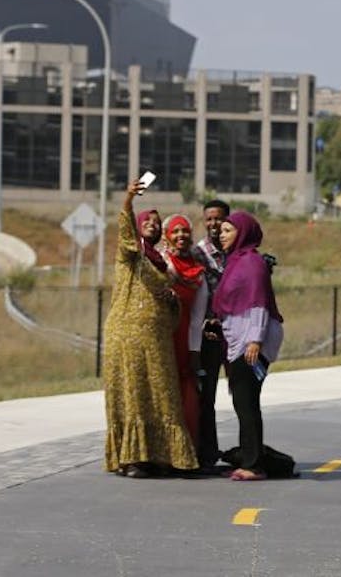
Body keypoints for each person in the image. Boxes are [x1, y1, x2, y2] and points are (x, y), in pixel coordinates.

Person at [102, 177, 197, 479]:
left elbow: (174, 300)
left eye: (158, 223)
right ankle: (132, 459)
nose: (153, 225)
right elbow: (126, 228)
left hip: (156, 338)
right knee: (133, 392)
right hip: (127, 334)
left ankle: (161, 456)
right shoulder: (131, 253)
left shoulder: (163, 263)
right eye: (148, 221)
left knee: (160, 394)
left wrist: (172, 301)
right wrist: (128, 201)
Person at [211, 210, 285, 481]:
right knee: (244, 402)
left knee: (247, 403)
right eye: (222, 231)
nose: (222, 234)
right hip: (240, 338)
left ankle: (253, 465)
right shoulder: (236, 261)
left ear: (243, 233)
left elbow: (258, 304)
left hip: (252, 342)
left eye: (228, 230)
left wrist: (255, 339)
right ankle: (250, 458)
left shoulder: (252, 263)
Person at [161, 214, 207, 454]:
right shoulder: (161, 263)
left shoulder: (198, 272)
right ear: (167, 236)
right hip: (162, 338)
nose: (181, 236)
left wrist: (194, 352)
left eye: (185, 231)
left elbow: (198, 318)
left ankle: (185, 452)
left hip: (185, 341)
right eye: (175, 231)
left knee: (185, 396)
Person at [191, 198, 232, 472]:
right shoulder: (197, 253)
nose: (213, 224)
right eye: (208, 219)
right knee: (207, 397)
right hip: (209, 335)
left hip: (235, 332)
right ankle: (207, 453)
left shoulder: (236, 250)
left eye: (218, 218)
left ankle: (248, 453)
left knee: (241, 394)